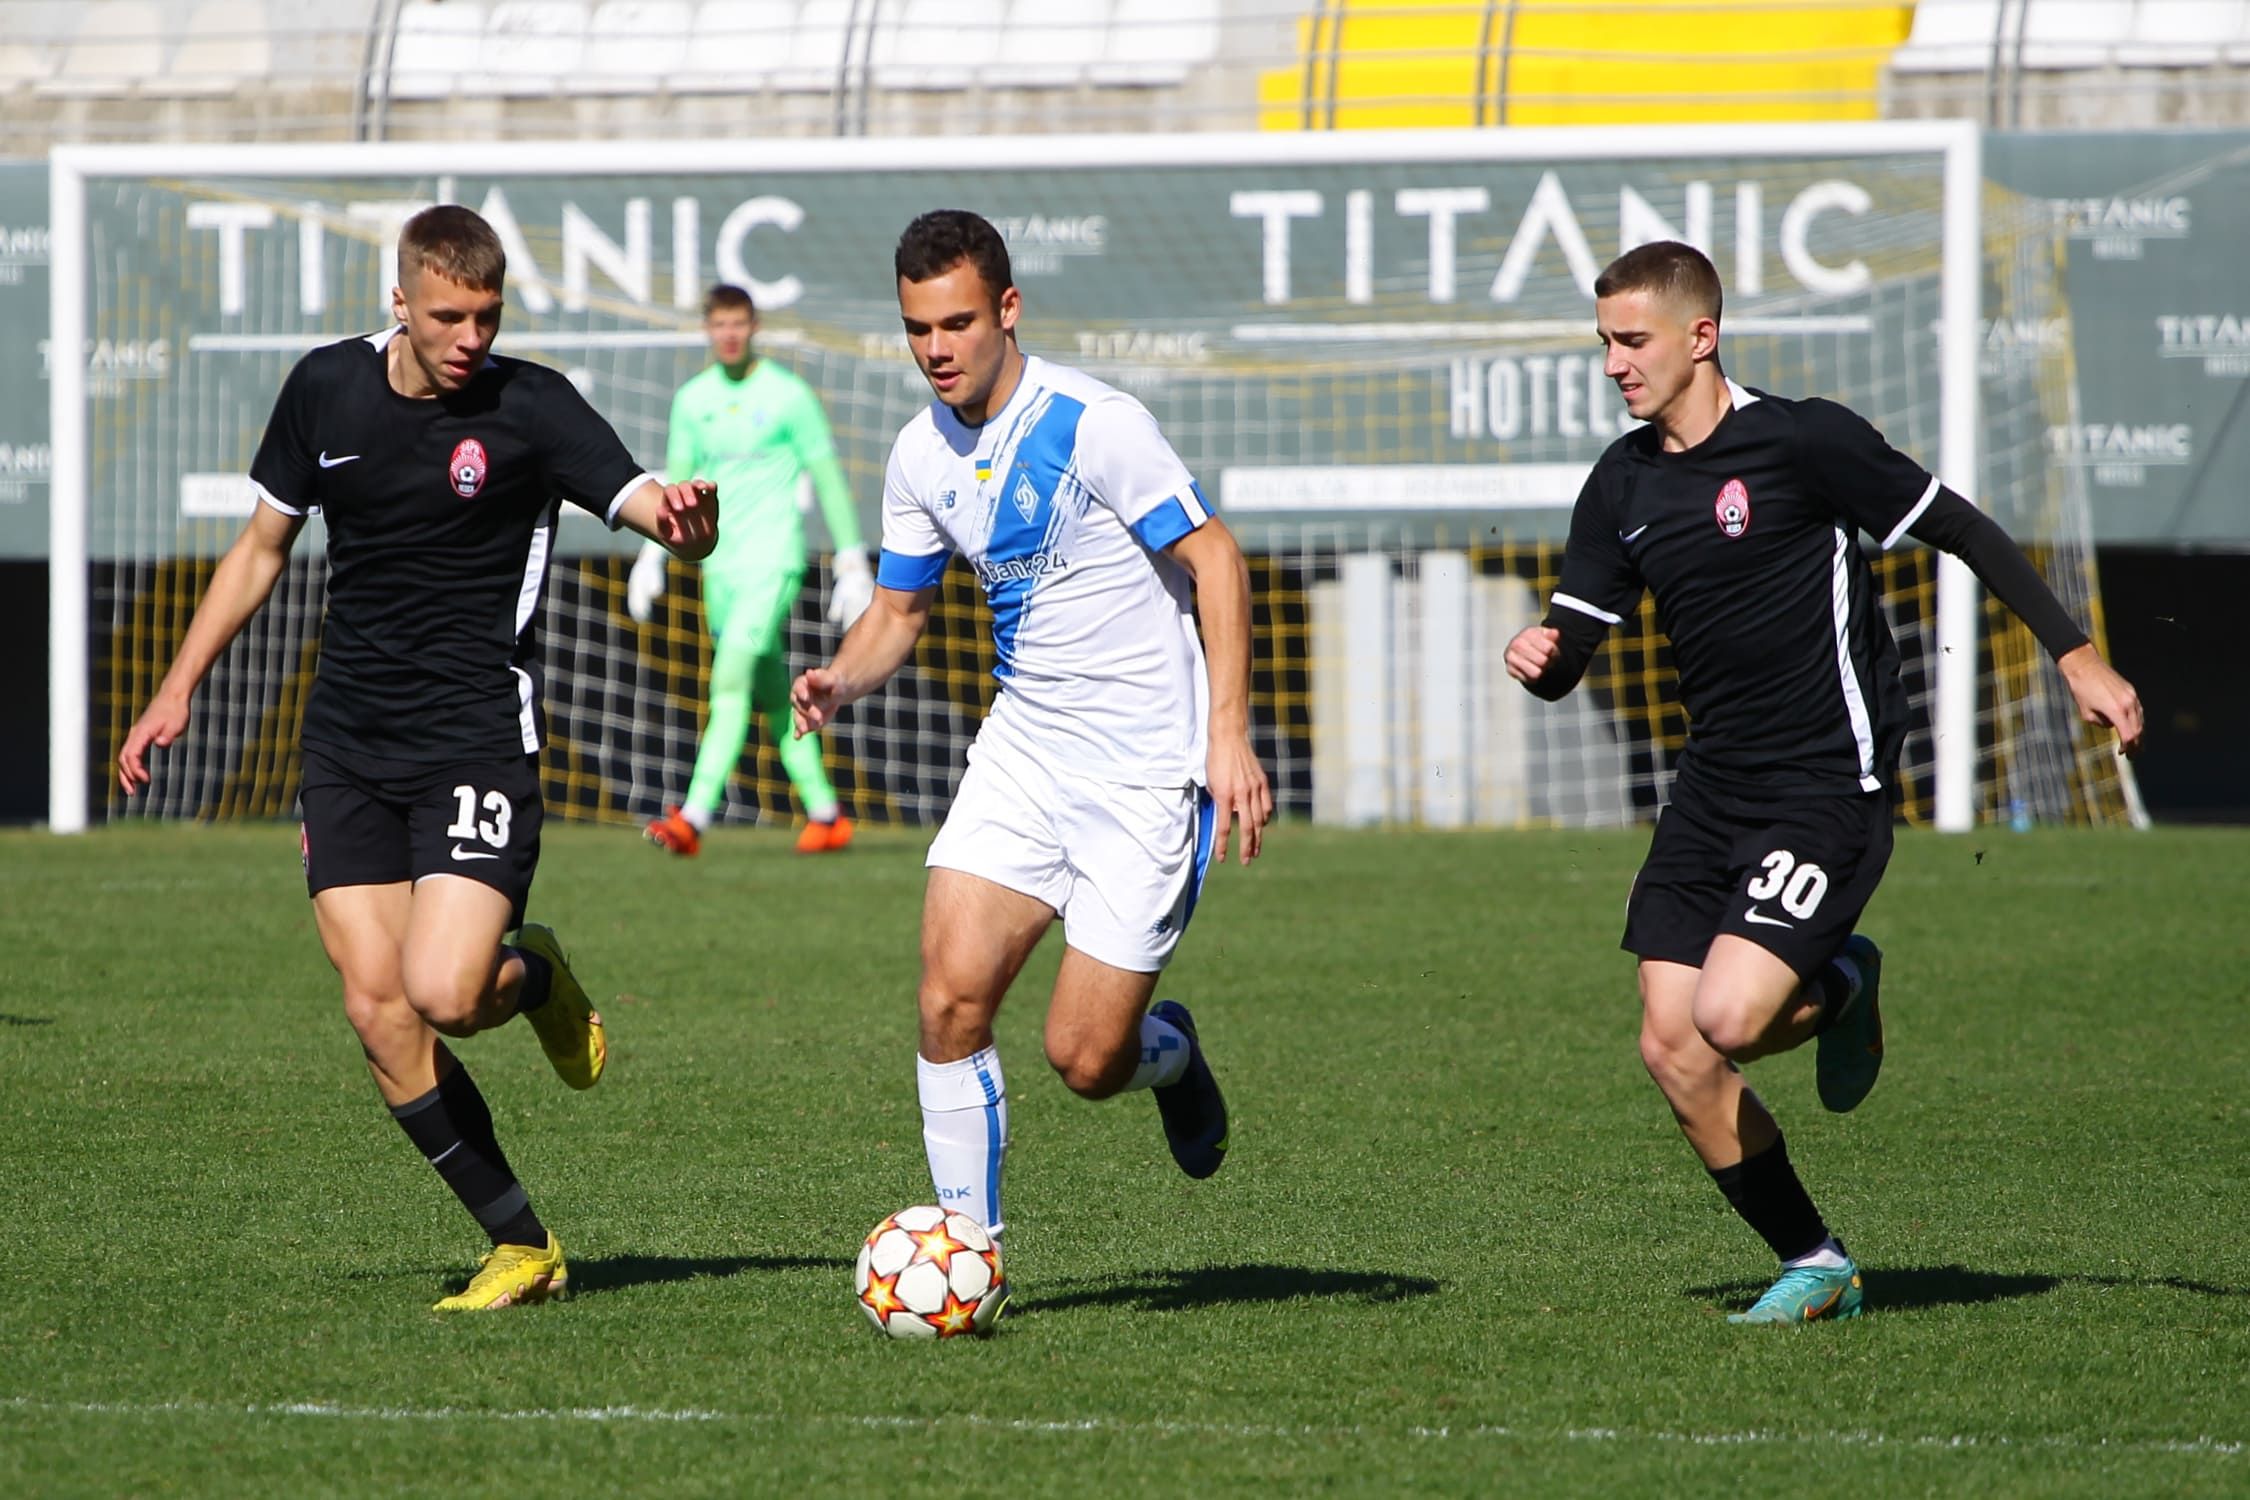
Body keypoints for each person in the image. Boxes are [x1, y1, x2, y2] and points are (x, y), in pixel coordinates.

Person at [1507, 240, 2144, 1324]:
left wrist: (2076, 655)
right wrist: (1542, 657)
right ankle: (1816, 1263)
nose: (1613, 363)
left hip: (1824, 784)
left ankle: (1843, 980)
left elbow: (1959, 525)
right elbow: (1574, 644)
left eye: (1632, 340)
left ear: (1701, 336)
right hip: (1711, 790)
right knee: (1670, 1043)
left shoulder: (1802, 441)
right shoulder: (1622, 480)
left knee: (1730, 1020)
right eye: (1604, 342)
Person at [117, 206, 719, 1312]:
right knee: (376, 1008)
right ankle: (522, 1244)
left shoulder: (530, 405)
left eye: (487, 316)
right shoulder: (324, 389)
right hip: (348, 747)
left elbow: (643, 501)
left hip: (475, 741)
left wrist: (684, 524)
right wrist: (175, 688)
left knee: (445, 992)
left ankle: (534, 977)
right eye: (448, 316)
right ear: (399, 302)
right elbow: (261, 548)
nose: (469, 338)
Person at [790, 210, 1272, 1266]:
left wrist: (1227, 736)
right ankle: (973, 1257)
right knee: (947, 997)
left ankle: (1171, 1055)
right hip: (1024, 753)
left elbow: (1217, 560)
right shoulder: (919, 453)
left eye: (957, 323)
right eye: (918, 328)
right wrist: (841, 679)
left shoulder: (1094, 424)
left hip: (1145, 772)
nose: (936, 349)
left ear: (1007, 310)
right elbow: (899, 612)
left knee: (1086, 1059)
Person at [631, 284, 872, 856]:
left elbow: (828, 476)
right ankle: (826, 814)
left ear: (754, 326)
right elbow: (675, 483)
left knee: (729, 684)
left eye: (738, 323)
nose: (730, 334)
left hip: (773, 562)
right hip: (721, 569)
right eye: (720, 324)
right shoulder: (693, 400)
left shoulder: (789, 395)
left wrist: (851, 555)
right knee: (772, 696)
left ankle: (693, 816)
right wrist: (650, 553)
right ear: (708, 328)